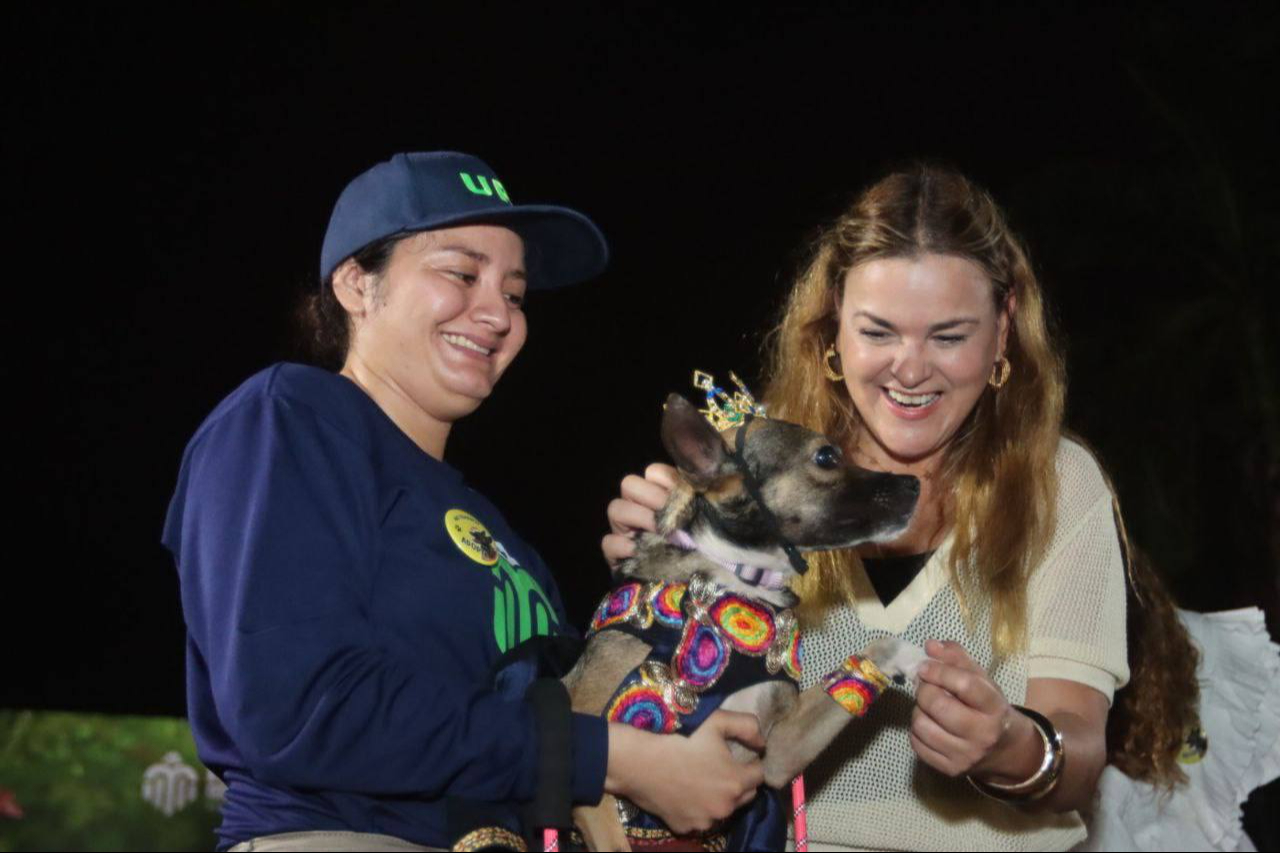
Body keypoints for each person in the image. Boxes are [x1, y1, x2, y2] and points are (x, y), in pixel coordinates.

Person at [162, 151, 766, 852]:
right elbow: (303, 707)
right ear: (358, 283)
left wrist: (664, 594)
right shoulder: (291, 417)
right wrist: (621, 760)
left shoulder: (498, 533)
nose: (497, 313)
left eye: (514, 293)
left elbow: (540, 720)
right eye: (460, 272)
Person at [603, 164, 1205, 850]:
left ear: (1004, 329)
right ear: (833, 323)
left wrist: (1009, 744)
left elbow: (1079, 749)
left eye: (948, 336)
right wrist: (655, 567)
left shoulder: (1058, 483)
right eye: (879, 331)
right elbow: (654, 712)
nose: (911, 369)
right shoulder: (755, 477)